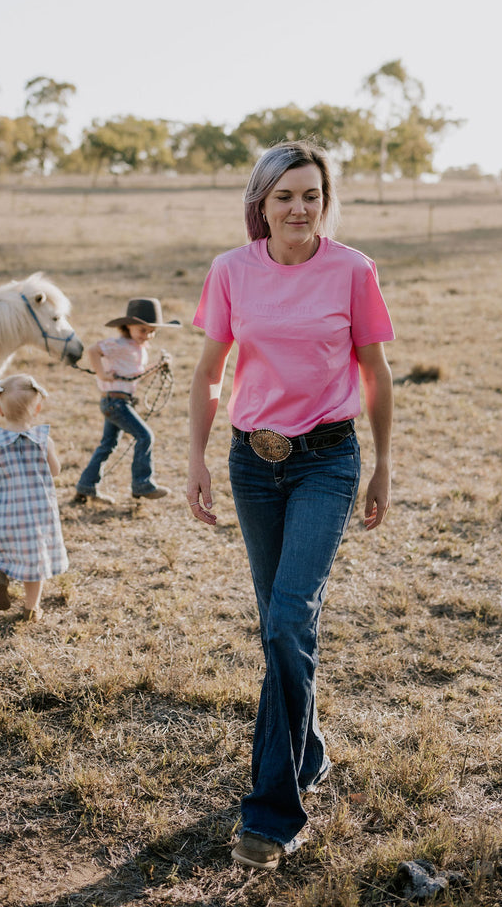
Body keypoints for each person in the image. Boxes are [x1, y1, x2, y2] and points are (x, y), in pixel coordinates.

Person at [187, 140, 395, 870]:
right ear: (260, 204)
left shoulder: (351, 268)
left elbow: (373, 369)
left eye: (311, 194)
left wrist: (382, 466)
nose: (299, 208)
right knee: (278, 626)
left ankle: (272, 813)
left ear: (323, 199)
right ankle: (305, 751)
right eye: (284, 196)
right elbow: (210, 371)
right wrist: (195, 457)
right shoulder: (229, 271)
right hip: (253, 463)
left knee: (287, 617)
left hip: (328, 461)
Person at [0, 373, 68, 621]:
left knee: (5, 549)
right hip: (38, 514)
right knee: (35, 564)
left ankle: (1, 574)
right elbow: (56, 471)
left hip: (4, 513)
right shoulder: (44, 439)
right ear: (38, 408)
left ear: (0, 410)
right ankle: (31, 609)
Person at [75, 298, 180, 503]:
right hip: (115, 402)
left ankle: (86, 486)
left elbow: (136, 376)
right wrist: (102, 373)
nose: (147, 335)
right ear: (128, 326)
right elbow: (93, 350)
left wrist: (158, 366)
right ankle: (142, 484)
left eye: (151, 331)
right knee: (145, 436)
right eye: (142, 330)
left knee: (107, 445)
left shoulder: (139, 348)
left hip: (120, 402)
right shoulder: (120, 344)